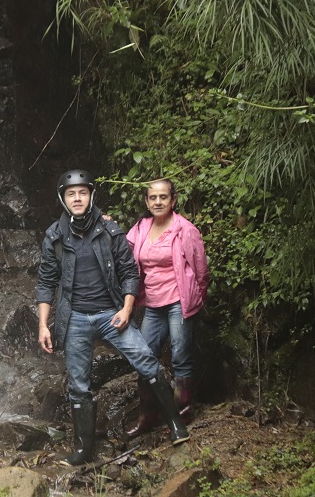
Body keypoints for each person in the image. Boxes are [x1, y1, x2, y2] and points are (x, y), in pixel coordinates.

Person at [36, 169, 189, 465]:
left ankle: (175, 424)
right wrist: (43, 324)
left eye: (82, 192)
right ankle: (84, 450)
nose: (77, 198)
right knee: (78, 384)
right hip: (75, 319)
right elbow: (46, 282)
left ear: (91, 195)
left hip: (111, 313)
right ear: (63, 199)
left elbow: (130, 272)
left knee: (146, 362)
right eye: (71, 194)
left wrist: (127, 309)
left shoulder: (110, 231)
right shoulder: (54, 236)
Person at [125, 179, 209, 437]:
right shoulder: (140, 228)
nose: (158, 202)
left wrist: (196, 296)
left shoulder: (185, 230)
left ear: (173, 200)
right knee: (144, 358)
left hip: (179, 302)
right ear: (146, 201)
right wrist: (105, 225)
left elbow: (200, 269)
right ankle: (149, 414)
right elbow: (121, 249)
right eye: (153, 198)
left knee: (180, 356)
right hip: (152, 303)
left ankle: (182, 412)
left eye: (163, 197)